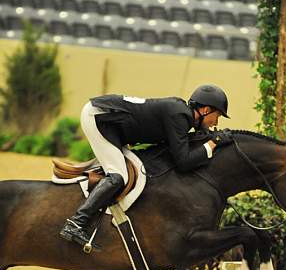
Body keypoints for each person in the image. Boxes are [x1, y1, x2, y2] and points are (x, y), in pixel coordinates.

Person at [59, 84, 233, 249]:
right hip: (99, 117)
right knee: (119, 176)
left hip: (109, 120)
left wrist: (210, 139)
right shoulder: (180, 116)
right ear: (205, 110)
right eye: (217, 116)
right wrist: (214, 142)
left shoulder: (181, 114)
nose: (216, 122)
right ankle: (76, 223)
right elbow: (184, 162)